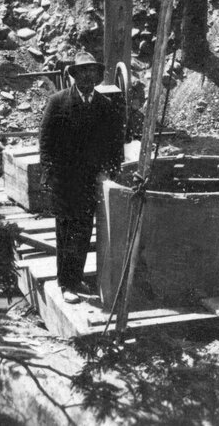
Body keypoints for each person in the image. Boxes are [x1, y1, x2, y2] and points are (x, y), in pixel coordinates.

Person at [39, 51, 124, 304]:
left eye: (92, 72)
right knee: (66, 231)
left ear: (97, 77)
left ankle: (75, 279)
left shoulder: (105, 106)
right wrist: (49, 173)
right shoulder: (57, 102)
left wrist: (111, 169)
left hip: (89, 181)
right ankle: (66, 283)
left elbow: (115, 143)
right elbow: (45, 141)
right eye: (83, 72)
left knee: (84, 231)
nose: (88, 76)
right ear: (74, 76)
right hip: (64, 181)